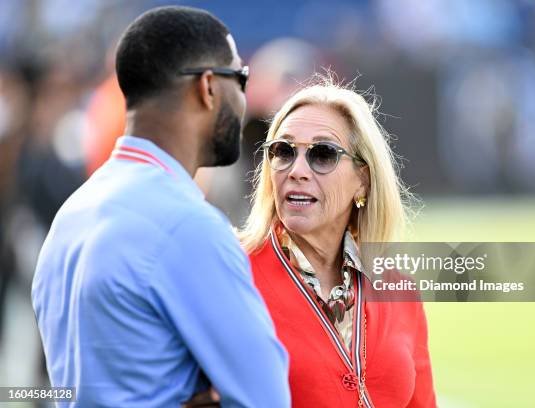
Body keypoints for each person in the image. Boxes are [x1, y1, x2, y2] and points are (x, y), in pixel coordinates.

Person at [31, 6, 290, 407]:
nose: (244, 97)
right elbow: (267, 399)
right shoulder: (188, 225)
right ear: (207, 87)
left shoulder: (71, 216)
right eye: (240, 78)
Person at [240, 77, 436, 407]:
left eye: (323, 154)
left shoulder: (398, 289)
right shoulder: (233, 274)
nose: (297, 170)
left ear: (362, 180)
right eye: (283, 151)